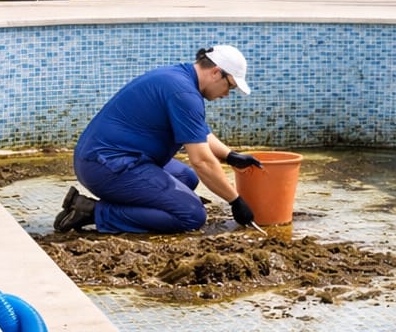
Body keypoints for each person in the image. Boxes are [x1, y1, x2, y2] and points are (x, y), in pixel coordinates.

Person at [54, 45, 265, 234]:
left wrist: (230, 156)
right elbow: (202, 161)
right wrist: (235, 201)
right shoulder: (185, 94)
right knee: (191, 215)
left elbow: (198, 131)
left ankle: (131, 203)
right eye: (230, 86)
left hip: (108, 159)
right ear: (216, 72)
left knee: (186, 178)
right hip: (106, 166)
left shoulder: (180, 78)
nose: (227, 94)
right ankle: (93, 212)